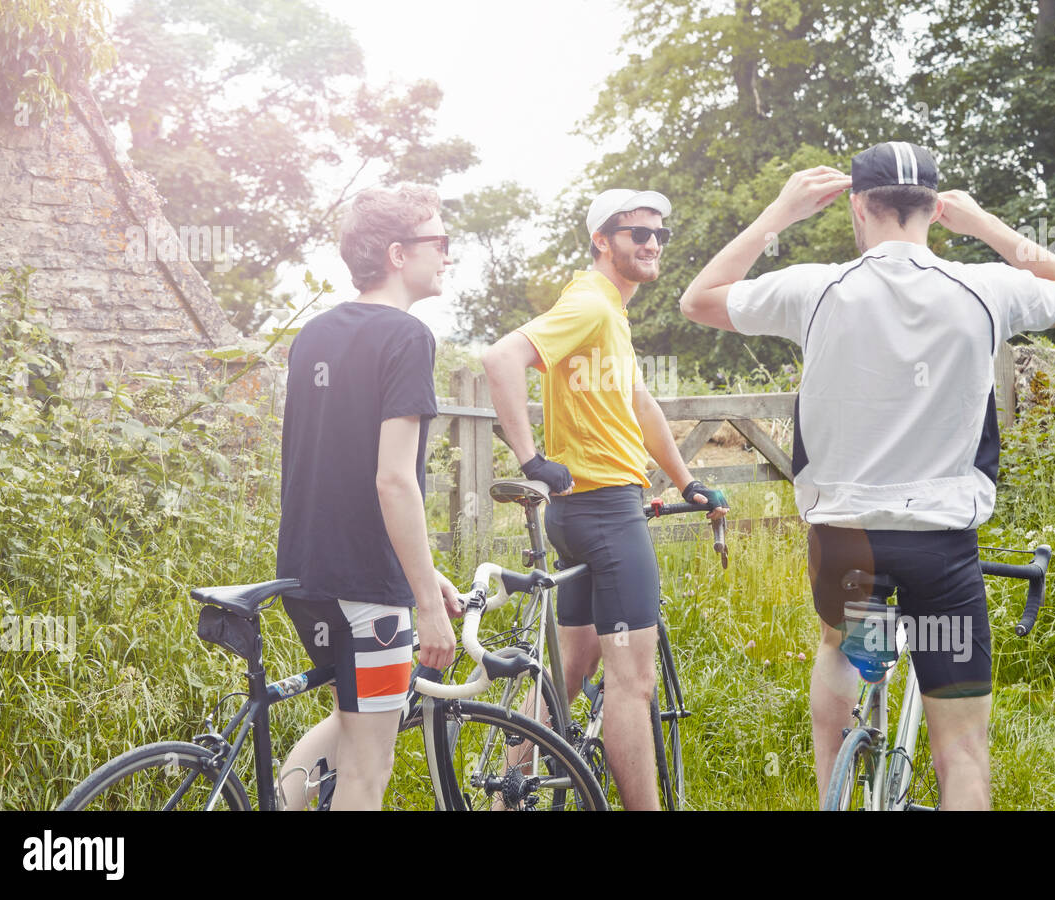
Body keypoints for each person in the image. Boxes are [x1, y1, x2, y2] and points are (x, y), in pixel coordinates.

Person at [680, 143, 1055, 809]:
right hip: (941, 548)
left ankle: (835, 791)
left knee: (840, 653)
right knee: (962, 752)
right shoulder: (986, 289)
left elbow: (698, 300)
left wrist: (777, 216)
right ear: (934, 209)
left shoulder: (815, 289)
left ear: (857, 207)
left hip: (847, 541)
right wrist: (986, 226)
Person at [482, 188, 727, 811]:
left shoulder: (607, 313)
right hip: (607, 516)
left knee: (571, 668)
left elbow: (640, 404)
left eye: (658, 234)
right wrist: (529, 458)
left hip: (578, 515)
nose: (650, 243)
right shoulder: (592, 302)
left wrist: (685, 478)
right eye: (634, 232)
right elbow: (501, 356)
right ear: (601, 240)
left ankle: (517, 792)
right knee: (631, 683)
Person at [274, 184, 464, 810]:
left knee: (352, 722)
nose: (447, 254)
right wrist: (424, 604)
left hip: (306, 576)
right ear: (397, 254)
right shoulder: (406, 337)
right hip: (367, 591)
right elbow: (392, 479)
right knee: (368, 766)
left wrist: (427, 575)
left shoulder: (313, 335)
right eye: (439, 241)